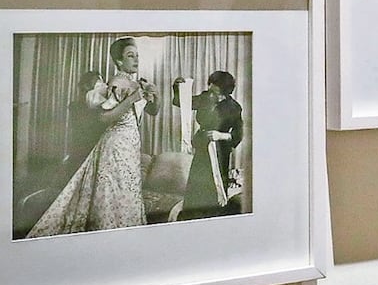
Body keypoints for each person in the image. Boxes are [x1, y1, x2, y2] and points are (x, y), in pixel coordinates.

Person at [27, 37, 160, 237]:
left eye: (137, 56)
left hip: (130, 146)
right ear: (119, 62)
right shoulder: (117, 82)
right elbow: (104, 118)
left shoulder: (136, 83)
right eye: (130, 56)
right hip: (115, 146)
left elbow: (153, 111)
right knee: (113, 195)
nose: (136, 60)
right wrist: (131, 99)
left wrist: (156, 95)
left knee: (127, 194)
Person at [173, 71, 244, 220]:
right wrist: (177, 87)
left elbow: (238, 135)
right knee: (196, 188)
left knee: (214, 190)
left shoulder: (234, 107)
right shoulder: (205, 98)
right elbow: (181, 102)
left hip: (220, 153)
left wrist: (221, 135)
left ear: (224, 89)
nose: (210, 90)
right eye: (210, 86)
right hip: (202, 149)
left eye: (215, 88)